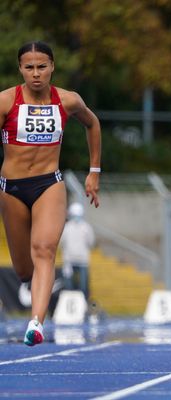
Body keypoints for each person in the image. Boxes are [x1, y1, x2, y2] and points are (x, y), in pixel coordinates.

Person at [0, 41, 101, 346]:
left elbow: (93, 124)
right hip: (12, 188)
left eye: (42, 67)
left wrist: (94, 171)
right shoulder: (5, 102)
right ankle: (32, 286)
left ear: (52, 67)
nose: (36, 74)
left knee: (44, 249)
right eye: (29, 67)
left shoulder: (67, 101)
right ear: (20, 69)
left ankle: (36, 322)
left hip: (49, 184)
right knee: (22, 268)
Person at [60, 202, 96, 300]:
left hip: (82, 261)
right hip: (69, 261)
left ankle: (82, 305)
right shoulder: (67, 227)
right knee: (68, 286)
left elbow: (91, 242)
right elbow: (62, 242)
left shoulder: (86, 228)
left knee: (83, 286)